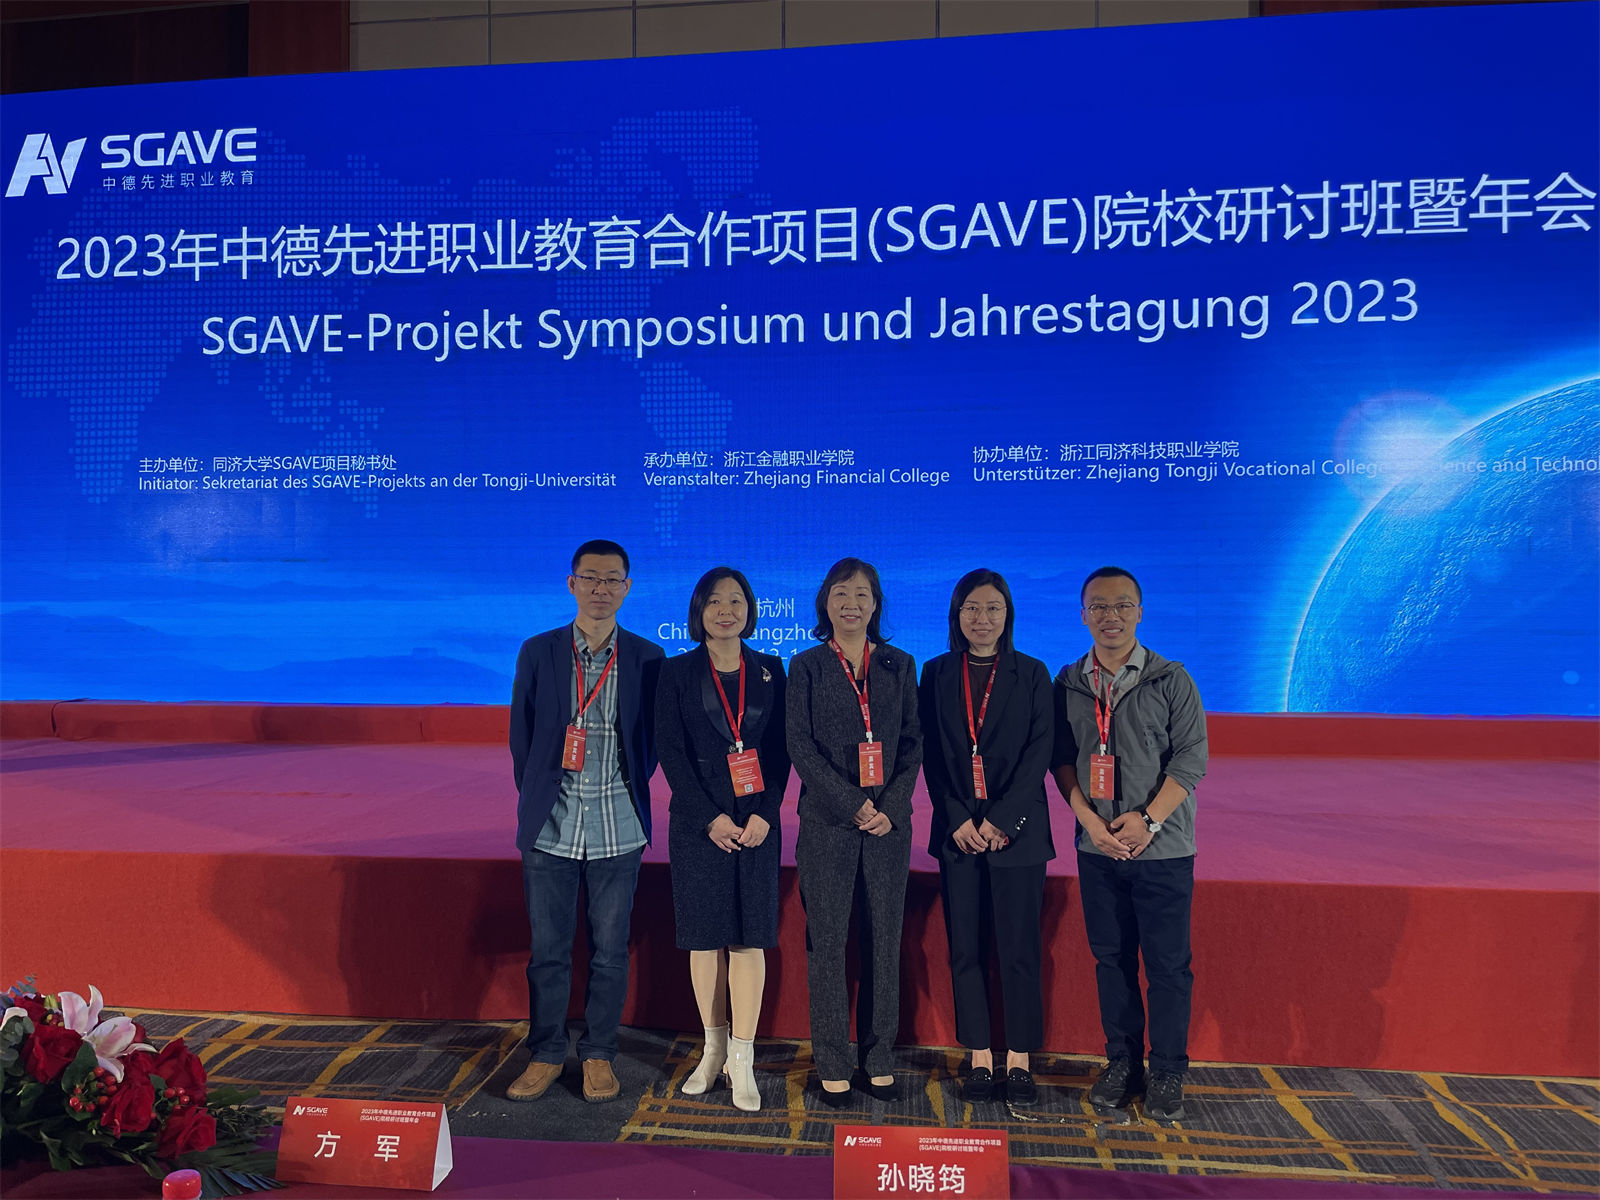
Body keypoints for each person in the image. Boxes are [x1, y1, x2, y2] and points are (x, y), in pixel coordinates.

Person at [507, 539, 665, 1104]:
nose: (602, 588)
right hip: (551, 827)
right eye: (591, 578)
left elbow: (649, 744)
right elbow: (522, 739)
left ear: (627, 588)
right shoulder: (539, 651)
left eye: (612, 579)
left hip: (619, 826)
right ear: (571, 583)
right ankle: (546, 1053)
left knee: (610, 952)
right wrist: (541, 796)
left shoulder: (648, 658)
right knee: (548, 952)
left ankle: (599, 1053)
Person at [1051, 566, 1207, 1124]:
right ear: (1083, 614)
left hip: (1162, 850)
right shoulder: (1069, 683)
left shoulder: (1172, 679)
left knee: (1167, 966)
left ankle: (1167, 1069)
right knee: (1111, 961)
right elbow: (1060, 759)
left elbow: (1192, 759)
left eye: (1121, 605)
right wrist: (1089, 823)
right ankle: (1122, 1063)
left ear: (1139, 612)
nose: (1110, 616)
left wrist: (1147, 821)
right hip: (1098, 849)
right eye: (1098, 606)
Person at [786, 557, 922, 1106]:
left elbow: (912, 743)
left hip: (888, 827)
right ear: (826, 601)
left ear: (875, 604)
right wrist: (853, 804)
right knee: (828, 945)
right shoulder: (807, 666)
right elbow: (800, 747)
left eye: (862, 594)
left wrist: (890, 805)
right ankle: (832, 1061)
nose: (852, 603)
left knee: (884, 943)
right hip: (828, 826)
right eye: (841, 593)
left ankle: (879, 1056)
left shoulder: (899, 664)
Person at [655, 567, 791, 1112]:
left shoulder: (771, 671)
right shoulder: (675, 672)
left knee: (749, 939)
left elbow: (782, 751)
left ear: (750, 610)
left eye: (736, 600)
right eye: (715, 601)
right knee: (704, 939)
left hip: (756, 824)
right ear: (699, 610)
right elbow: (670, 751)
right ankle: (712, 1051)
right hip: (699, 825)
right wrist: (709, 818)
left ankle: (743, 1058)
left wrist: (765, 814)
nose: (726, 610)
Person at [918, 569, 1054, 1107]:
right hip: (960, 835)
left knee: (1019, 951)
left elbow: (1039, 753)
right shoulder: (935, 672)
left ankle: (1018, 1058)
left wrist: (1002, 819)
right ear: (957, 615)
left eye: (993, 608)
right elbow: (930, 753)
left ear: (1008, 614)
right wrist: (957, 818)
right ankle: (978, 1054)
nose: (982, 618)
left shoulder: (1033, 673)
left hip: (1017, 835)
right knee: (966, 949)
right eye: (971, 608)